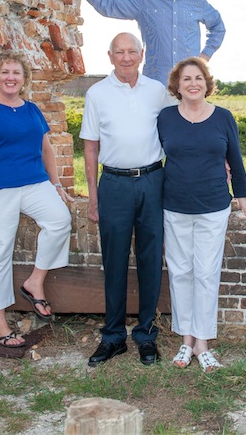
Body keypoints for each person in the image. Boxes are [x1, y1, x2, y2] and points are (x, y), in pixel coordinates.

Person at [0, 51, 74, 348]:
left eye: (16, 73)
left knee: (60, 221)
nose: (10, 77)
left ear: (24, 79)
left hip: (34, 184)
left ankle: (34, 282)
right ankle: (0, 324)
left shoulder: (32, 109)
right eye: (5, 72)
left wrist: (56, 183)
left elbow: (46, 149)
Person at [157, 57, 246, 372]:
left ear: (207, 82)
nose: (192, 84)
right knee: (180, 273)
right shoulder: (165, 118)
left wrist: (242, 196)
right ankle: (186, 341)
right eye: (186, 79)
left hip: (213, 207)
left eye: (198, 78)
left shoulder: (223, 117)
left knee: (205, 274)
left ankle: (202, 344)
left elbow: (236, 159)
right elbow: (150, 156)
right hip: (174, 205)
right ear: (177, 85)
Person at [80, 32, 167, 367]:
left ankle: (146, 335)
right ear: (110, 55)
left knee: (150, 259)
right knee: (114, 261)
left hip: (152, 180)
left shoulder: (157, 91)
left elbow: (176, 130)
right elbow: (90, 146)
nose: (127, 57)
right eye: (120, 52)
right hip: (113, 183)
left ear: (141, 54)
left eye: (132, 51)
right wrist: (93, 196)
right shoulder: (97, 93)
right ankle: (113, 336)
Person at [65, 0, 226, 86]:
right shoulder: (145, 1)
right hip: (155, 85)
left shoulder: (198, 3)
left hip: (190, 84)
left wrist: (204, 56)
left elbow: (218, 27)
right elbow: (110, 5)